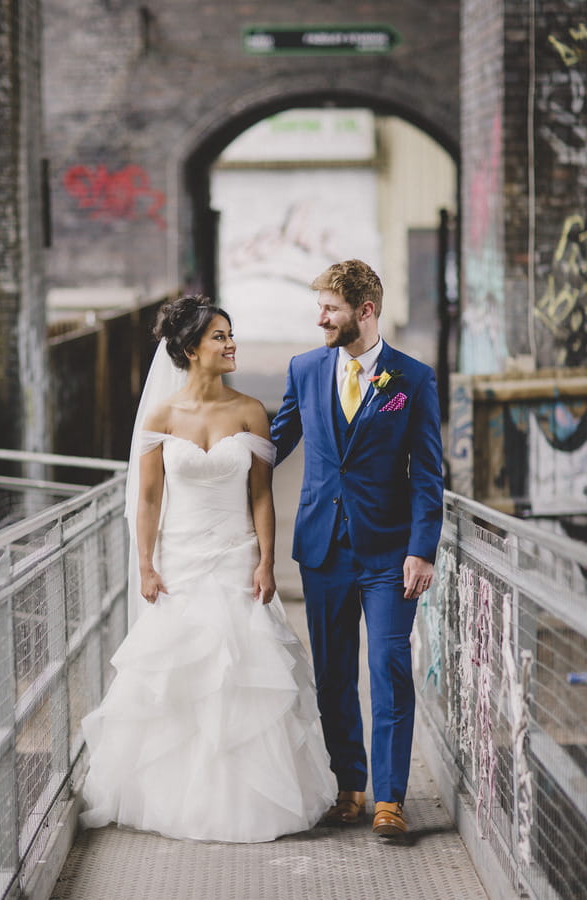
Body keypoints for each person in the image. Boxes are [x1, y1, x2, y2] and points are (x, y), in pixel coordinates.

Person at [80, 295, 335, 843]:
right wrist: (146, 565)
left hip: (236, 557)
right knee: (180, 676)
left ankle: (247, 800)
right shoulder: (161, 417)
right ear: (192, 349)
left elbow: (262, 497)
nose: (231, 343)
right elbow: (148, 499)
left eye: (231, 334)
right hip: (180, 559)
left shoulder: (249, 411)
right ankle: (178, 798)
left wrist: (267, 560)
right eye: (220, 337)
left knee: (244, 671)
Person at [270, 260, 443, 837]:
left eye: (330, 309)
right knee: (335, 674)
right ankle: (350, 785)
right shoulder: (304, 368)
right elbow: (275, 444)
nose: (320, 318)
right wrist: (205, 461)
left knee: (389, 667)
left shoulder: (412, 380)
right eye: (319, 307)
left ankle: (391, 798)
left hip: (391, 553)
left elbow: (427, 473)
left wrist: (424, 548)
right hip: (322, 549)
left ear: (364, 312)